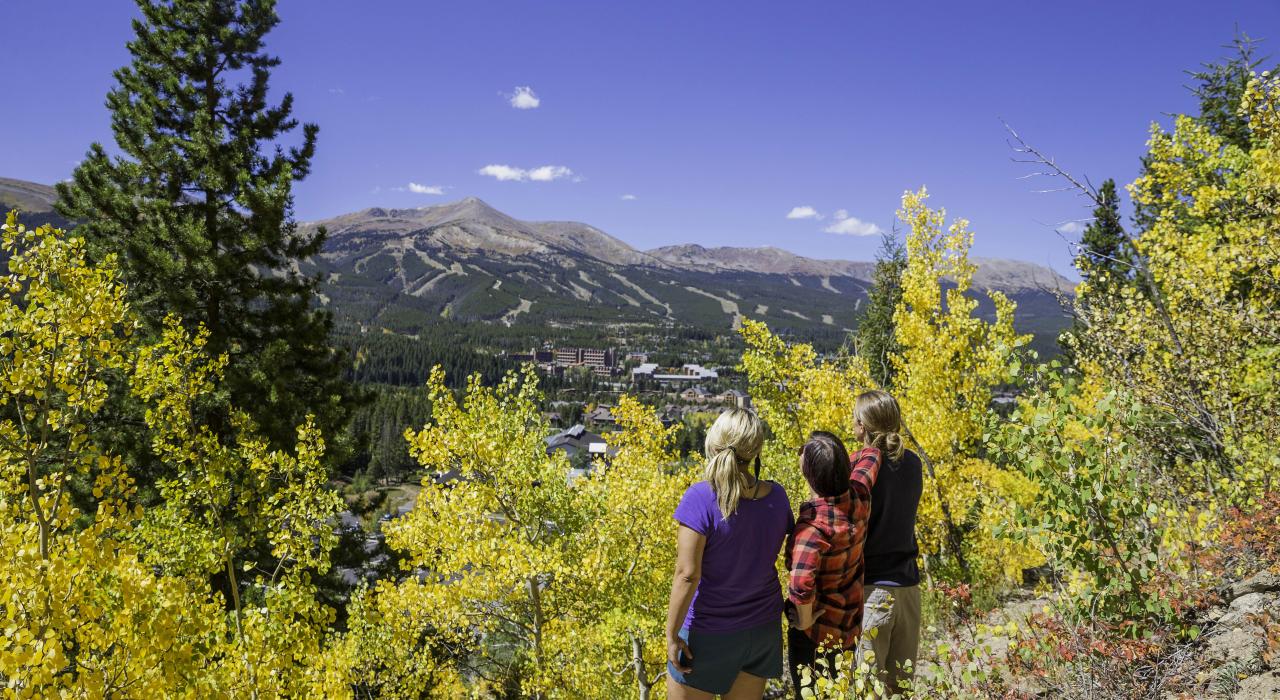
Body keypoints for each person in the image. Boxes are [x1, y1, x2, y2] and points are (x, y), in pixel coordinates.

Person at [665, 408, 793, 699]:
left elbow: (687, 574)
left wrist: (671, 635)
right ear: (756, 449)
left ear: (715, 442)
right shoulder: (777, 497)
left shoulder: (700, 498)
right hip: (762, 630)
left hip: (708, 633)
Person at [785, 431, 881, 698]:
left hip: (815, 638)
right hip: (848, 628)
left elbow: (801, 583)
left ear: (810, 475)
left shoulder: (812, 528)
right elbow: (872, 455)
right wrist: (835, 460)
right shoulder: (859, 494)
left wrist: (804, 621)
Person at [854, 390, 923, 694]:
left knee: (867, 690)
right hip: (908, 590)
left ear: (864, 427)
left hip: (872, 593)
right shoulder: (913, 465)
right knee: (900, 689)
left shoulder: (859, 467)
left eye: (856, 418)